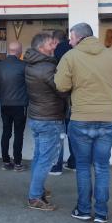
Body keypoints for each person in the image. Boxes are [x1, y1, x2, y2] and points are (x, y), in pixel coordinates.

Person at [54, 22, 112, 223]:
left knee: (84, 166)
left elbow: (61, 85)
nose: (69, 42)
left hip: (81, 119)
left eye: (71, 38)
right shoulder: (111, 55)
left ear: (79, 37)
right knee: (102, 167)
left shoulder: (70, 56)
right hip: (107, 119)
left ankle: (84, 210)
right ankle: (102, 213)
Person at [24, 33, 67, 211]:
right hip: (49, 119)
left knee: (39, 156)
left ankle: (37, 190)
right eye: (51, 44)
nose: (54, 46)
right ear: (41, 48)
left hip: (37, 117)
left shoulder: (32, 64)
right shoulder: (46, 68)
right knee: (46, 160)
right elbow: (62, 90)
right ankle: (35, 197)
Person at [0, 41, 28, 172]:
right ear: (19, 51)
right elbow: (29, 85)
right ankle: (17, 163)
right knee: (19, 134)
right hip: (20, 104)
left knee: (6, 132)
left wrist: (2, 95)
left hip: (5, 103)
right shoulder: (24, 66)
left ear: (9, 50)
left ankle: (6, 161)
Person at [50, 29, 75, 175]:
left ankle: (56, 166)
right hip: (74, 100)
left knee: (58, 134)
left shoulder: (58, 52)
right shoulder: (74, 50)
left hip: (60, 101)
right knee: (73, 133)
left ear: (55, 41)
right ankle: (74, 163)